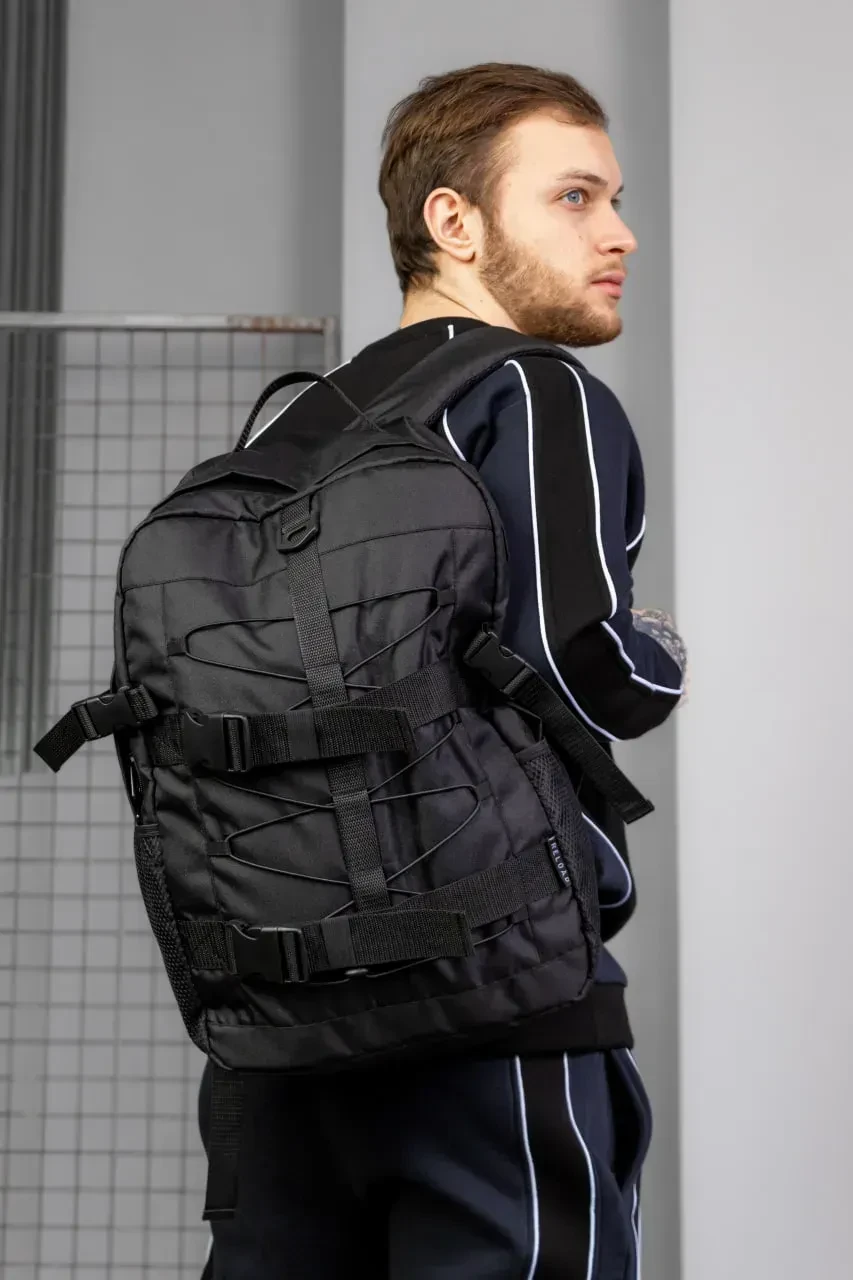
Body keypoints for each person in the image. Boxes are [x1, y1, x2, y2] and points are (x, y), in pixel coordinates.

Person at [200, 62, 686, 1280]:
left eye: (615, 199)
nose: (619, 233)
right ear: (453, 221)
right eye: (574, 196)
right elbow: (589, 669)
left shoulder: (290, 426)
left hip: (279, 1019)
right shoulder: (534, 388)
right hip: (496, 1004)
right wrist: (662, 648)